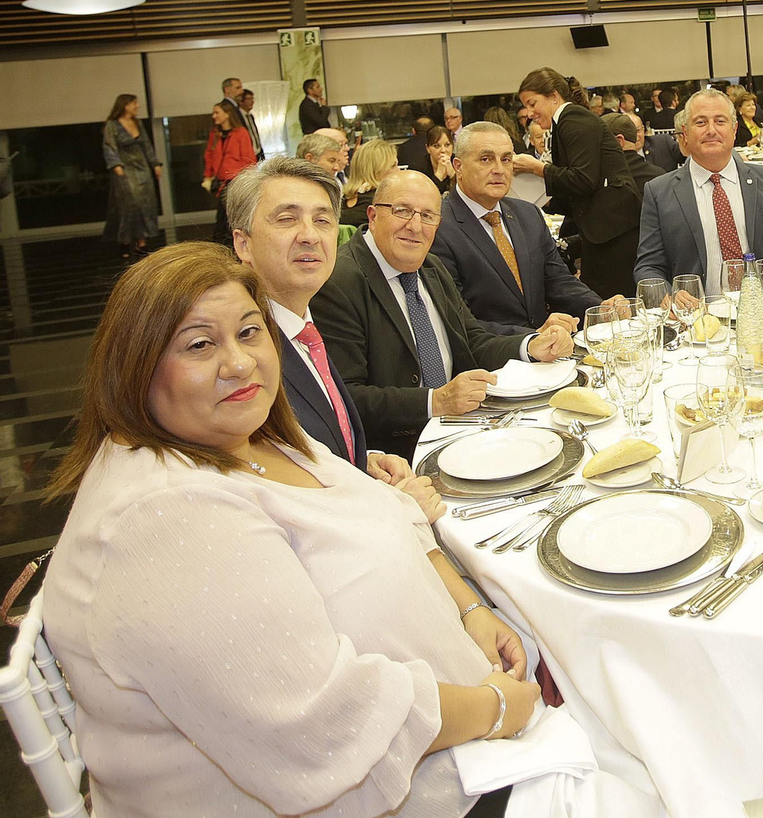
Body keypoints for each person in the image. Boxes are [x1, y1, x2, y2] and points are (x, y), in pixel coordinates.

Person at [39, 242, 550, 818]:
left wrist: (468, 611)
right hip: (406, 785)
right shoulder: (165, 518)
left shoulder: (254, 436)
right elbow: (322, 725)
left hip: (453, 729)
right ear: (135, 364)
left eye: (250, 332)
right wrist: (496, 708)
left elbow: (387, 514)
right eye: (200, 344)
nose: (238, 362)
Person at [225, 157, 440, 520]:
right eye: (287, 218)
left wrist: (358, 459)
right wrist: (396, 511)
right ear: (243, 244)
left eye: (322, 220)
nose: (309, 235)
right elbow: (266, 499)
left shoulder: (303, 329)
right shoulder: (241, 356)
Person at [312, 170, 573, 454]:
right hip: (398, 454)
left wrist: (531, 345)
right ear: (373, 216)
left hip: (465, 428)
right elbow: (343, 397)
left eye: (427, 216)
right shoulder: (337, 283)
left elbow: (471, 339)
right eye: (402, 211)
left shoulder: (431, 267)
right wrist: (435, 401)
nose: (415, 226)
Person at [432, 121, 603, 337]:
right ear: (458, 166)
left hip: (547, 355)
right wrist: (529, 340)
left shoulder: (528, 214)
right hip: (488, 362)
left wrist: (601, 309)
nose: (499, 170)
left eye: (506, 159)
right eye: (486, 159)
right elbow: (458, 319)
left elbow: (558, 280)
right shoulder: (438, 227)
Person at [634, 89, 763, 295]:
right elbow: (649, 267)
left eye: (720, 121)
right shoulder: (659, 192)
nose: (711, 130)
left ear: (734, 129)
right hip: (698, 318)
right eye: (701, 122)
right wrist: (670, 297)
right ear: (685, 134)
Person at [516, 68, 643, 298]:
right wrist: (542, 201)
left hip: (614, 231)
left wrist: (537, 169)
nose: (529, 112)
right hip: (603, 230)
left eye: (533, 103)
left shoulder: (572, 117)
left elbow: (583, 179)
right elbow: (578, 186)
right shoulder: (565, 122)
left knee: (614, 302)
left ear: (554, 96)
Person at [101, 93, 162, 260]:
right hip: (125, 168)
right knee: (130, 204)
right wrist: (116, 164)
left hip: (141, 166)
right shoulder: (112, 125)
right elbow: (109, 146)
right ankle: (125, 240)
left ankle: (142, 241)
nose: (137, 106)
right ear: (125, 105)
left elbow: (146, 145)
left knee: (146, 203)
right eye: (134, 103)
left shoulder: (137, 123)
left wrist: (155, 163)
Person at [202, 100, 255, 245]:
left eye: (217, 112)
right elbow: (209, 155)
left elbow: (249, 158)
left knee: (225, 220)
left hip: (235, 181)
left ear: (227, 114)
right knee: (223, 220)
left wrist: (246, 181)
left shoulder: (240, 133)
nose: (214, 116)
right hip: (221, 181)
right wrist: (208, 175)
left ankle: (227, 249)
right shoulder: (215, 134)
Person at [341, 137, 397, 228]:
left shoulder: (339, 204)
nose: (398, 170)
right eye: (393, 166)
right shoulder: (383, 205)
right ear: (377, 170)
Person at [423, 125, 457, 193]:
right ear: (428, 148)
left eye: (447, 145)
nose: (443, 150)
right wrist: (438, 176)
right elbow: (424, 196)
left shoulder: (459, 162)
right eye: (437, 146)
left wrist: (452, 174)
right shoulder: (419, 168)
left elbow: (467, 192)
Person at [238, 88, 264, 162]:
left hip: (257, 153)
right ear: (241, 101)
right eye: (248, 99)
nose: (252, 102)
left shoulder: (250, 116)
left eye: (252, 99)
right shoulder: (238, 117)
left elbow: (255, 134)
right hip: (247, 154)